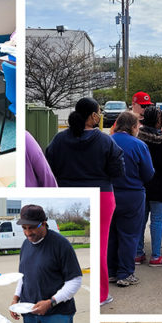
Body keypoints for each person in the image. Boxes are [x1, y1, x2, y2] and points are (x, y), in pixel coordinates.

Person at [44, 97, 124, 306]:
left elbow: (48, 166)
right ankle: (100, 295)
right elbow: (118, 171)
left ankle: (58, 291)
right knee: (100, 247)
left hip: (68, 196)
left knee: (64, 246)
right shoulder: (106, 141)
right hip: (101, 196)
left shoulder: (60, 140)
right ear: (93, 116)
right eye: (99, 111)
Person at [9, 204, 83, 323]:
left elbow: (75, 280)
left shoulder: (61, 245)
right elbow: (23, 276)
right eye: (24, 228)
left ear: (43, 223)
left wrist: (51, 302)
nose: (28, 233)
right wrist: (16, 298)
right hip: (30, 312)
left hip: (57, 314)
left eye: (31, 228)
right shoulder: (26, 244)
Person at [107, 111, 154, 288]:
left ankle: (111, 271)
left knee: (111, 234)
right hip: (132, 195)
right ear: (134, 127)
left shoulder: (106, 141)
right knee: (129, 235)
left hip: (108, 193)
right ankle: (125, 273)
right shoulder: (138, 145)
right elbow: (148, 173)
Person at [135, 105, 162, 267]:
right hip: (160, 185)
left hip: (141, 185)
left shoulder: (138, 138)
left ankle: (138, 253)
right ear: (158, 121)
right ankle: (156, 256)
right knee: (157, 221)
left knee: (140, 221)